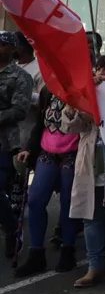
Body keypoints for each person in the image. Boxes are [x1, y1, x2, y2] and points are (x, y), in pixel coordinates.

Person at [66, 52, 105, 288]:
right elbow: (70, 127)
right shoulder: (88, 94)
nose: (100, 74)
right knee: (91, 218)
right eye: (99, 69)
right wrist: (76, 102)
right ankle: (95, 267)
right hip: (92, 165)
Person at [13, 83, 80, 276]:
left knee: (68, 203)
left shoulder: (82, 88)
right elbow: (40, 123)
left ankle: (68, 249)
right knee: (35, 200)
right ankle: (36, 254)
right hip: (47, 151)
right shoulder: (48, 89)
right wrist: (29, 148)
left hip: (73, 153)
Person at [0, 32, 34, 259]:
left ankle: (12, 229)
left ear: (13, 49)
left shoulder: (20, 77)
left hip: (6, 142)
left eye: (2, 44)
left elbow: (19, 110)